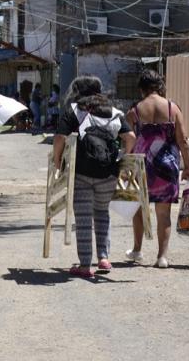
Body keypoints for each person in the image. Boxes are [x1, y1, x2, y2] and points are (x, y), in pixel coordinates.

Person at [53, 76, 136, 278]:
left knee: (83, 219)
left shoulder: (74, 111)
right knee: (101, 213)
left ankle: (84, 265)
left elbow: (59, 138)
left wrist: (58, 162)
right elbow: (130, 137)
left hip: (81, 172)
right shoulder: (114, 112)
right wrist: (122, 156)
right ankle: (103, 258)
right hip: (108, 173)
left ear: (78, 92)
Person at [125, 69, 189, 268]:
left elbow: (128, 142)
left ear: (142, 88)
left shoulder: (134, 111)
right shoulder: (173, 108)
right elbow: (183, 141)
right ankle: (162, 257)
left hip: (141, 165)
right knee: (163, 213)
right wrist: (187, 167)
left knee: (137, 209)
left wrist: (126, 166)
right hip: (167, 166)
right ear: (160, 86)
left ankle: (137, 250)